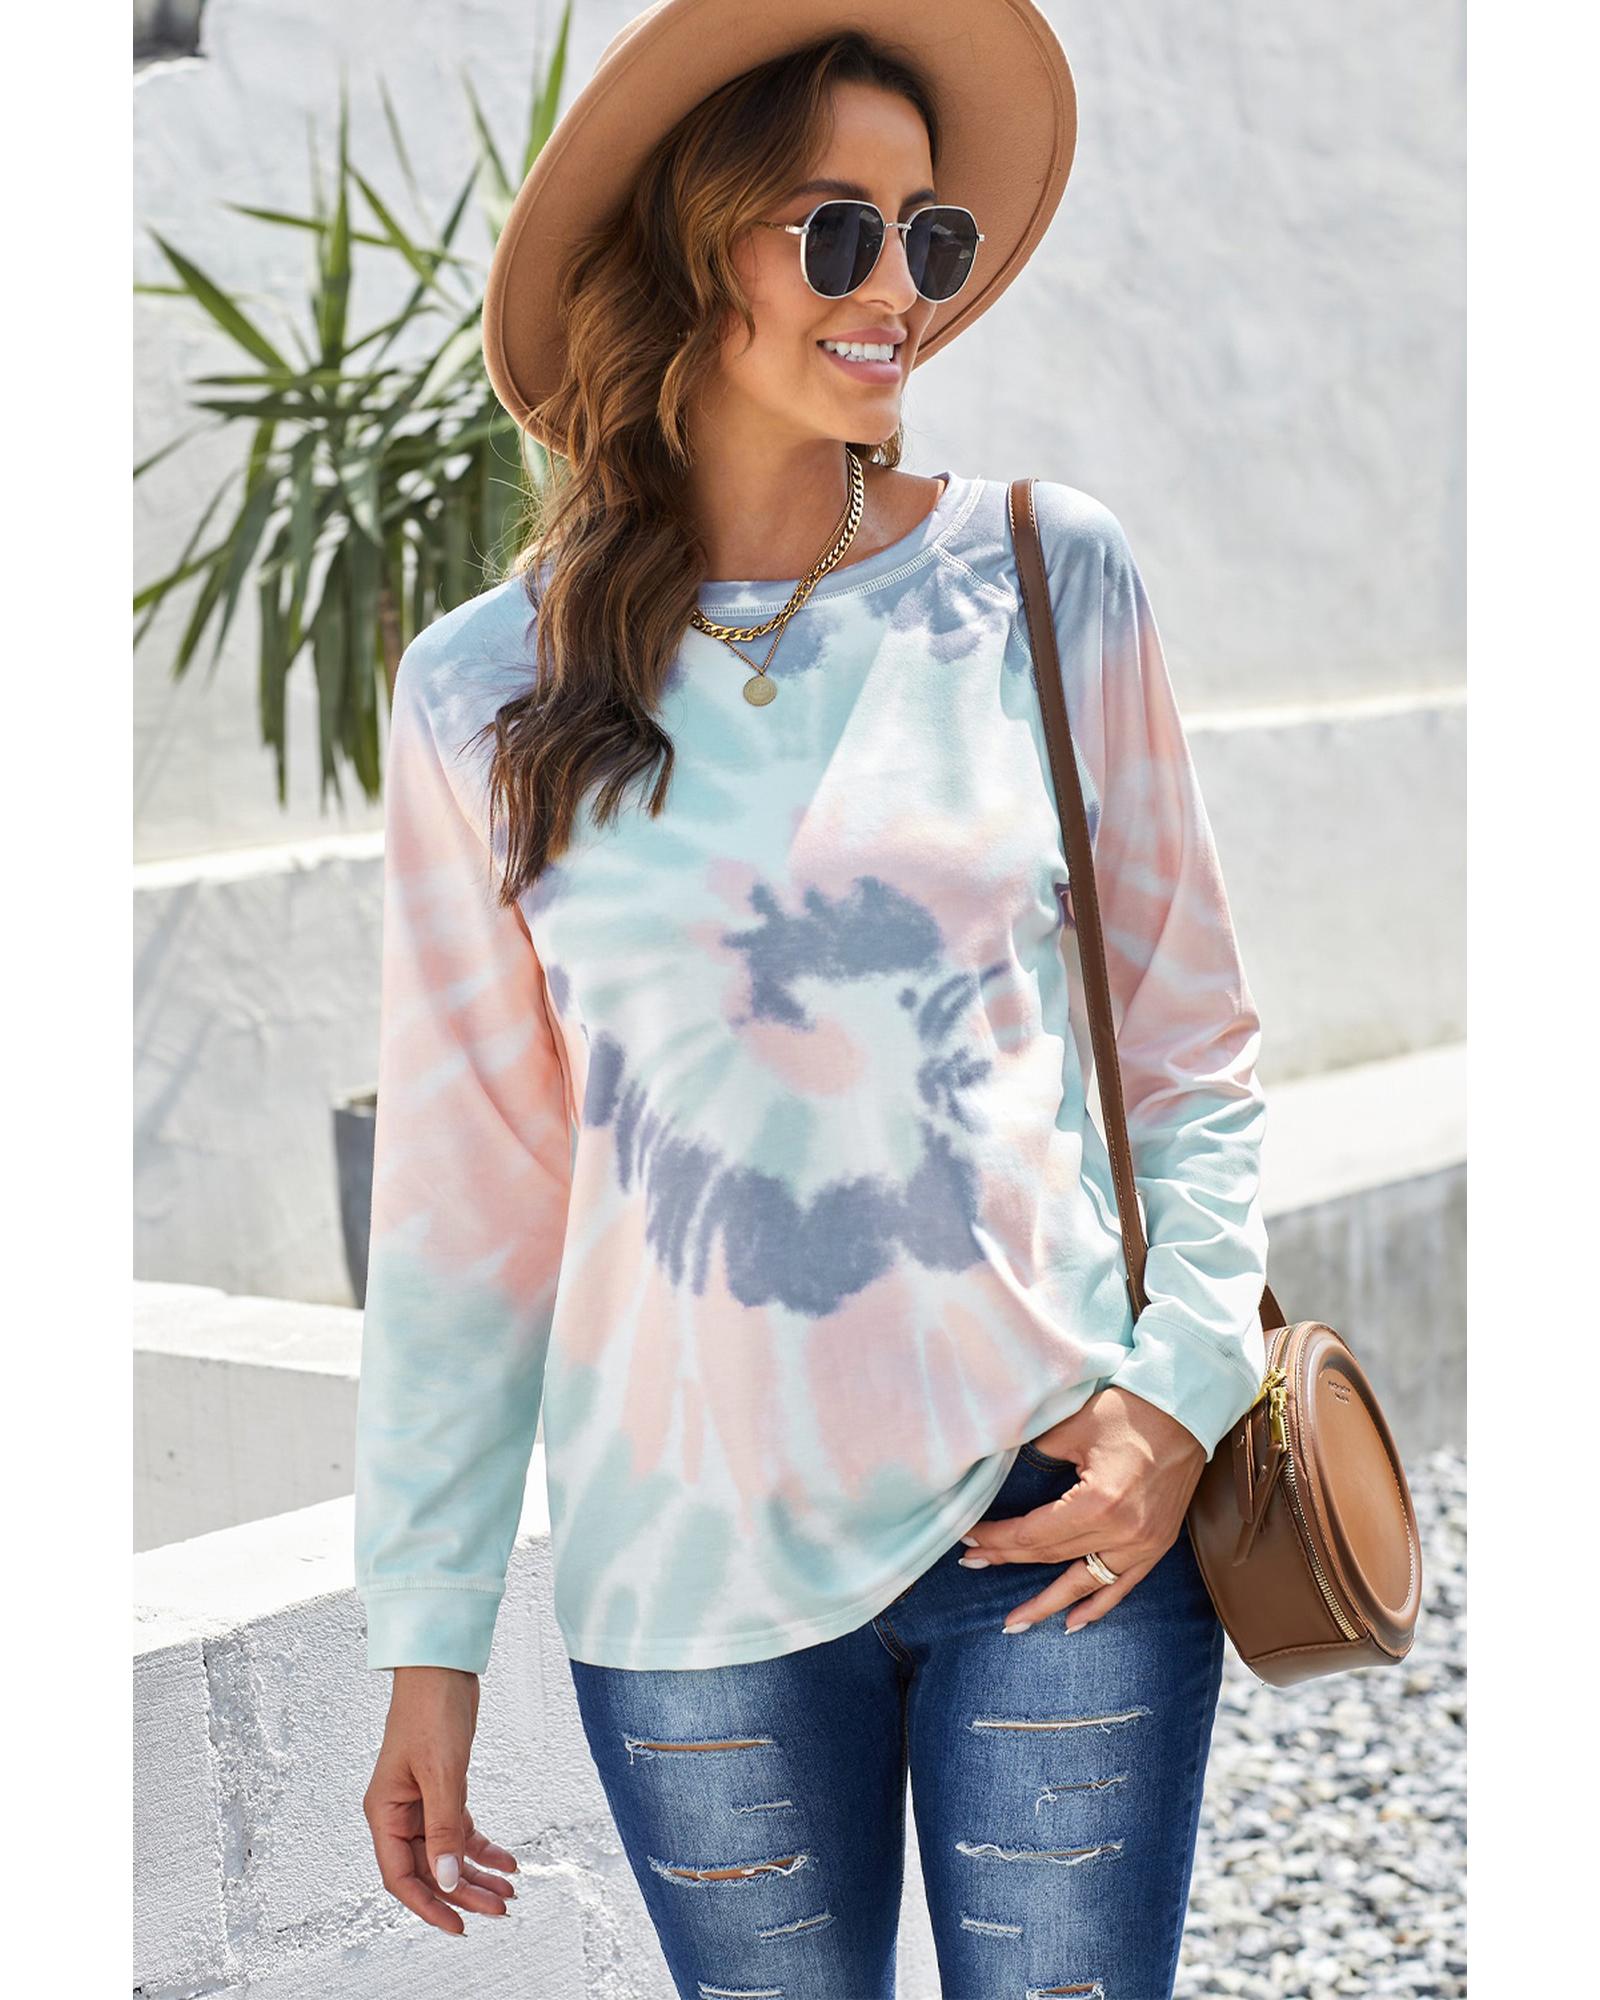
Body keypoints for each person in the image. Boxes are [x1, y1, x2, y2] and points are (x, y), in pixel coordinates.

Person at [353, 4, 1270, 1995]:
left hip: (1055, 1514)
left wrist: (1173, 1401)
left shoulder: (1045, 575)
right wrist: (426, 1639)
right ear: (688, 255)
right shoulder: (484, 693)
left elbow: (1189, 1050)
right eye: (835, 229)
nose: (897, 289)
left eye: (929, 236)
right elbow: (466, 1204)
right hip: (688, 1573)